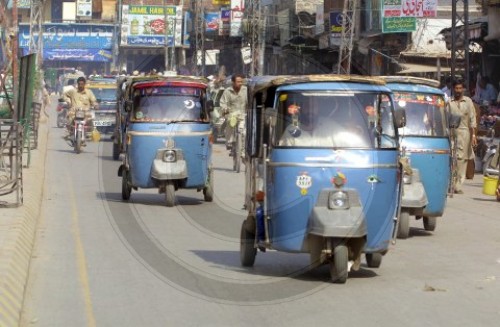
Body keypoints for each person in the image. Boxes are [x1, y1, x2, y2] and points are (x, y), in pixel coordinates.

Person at [449, 79, 477, 194]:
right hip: (451, 133)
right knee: (452, 158)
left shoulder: (468, 101)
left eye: (460, 88)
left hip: (464, 133)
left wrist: (474, 135)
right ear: (453, 89)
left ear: (463, 89)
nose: (458, 91)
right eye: (456, 88)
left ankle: (458, 184)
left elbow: (472, 119)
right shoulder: (449, 102)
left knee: (462, 159)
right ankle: (451, 182)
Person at [219, 74, 247, 150]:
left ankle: (243, 149)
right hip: (231, 114)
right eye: (238, 82)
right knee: (230, 124)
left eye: (241, 82)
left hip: (243, 115)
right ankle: (229, 142)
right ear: (233, 82)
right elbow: (223, 102)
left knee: (244, 132)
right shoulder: (227, 91)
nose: (240, 83)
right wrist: (225, 109)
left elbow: (249, 101)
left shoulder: (245, 90)